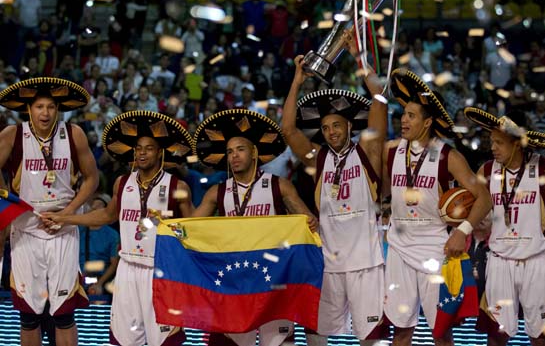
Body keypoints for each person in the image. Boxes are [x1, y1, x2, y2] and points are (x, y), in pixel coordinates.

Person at [44, 110, 196, 346]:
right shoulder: (122, 183)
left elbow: (193, 231)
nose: (142, 153)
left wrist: (173, 229)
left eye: (148, 148)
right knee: (124, 340)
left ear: (160, 152)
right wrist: (65, 218)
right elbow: (106, 215)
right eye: (138, 148)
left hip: (161, 269)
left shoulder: (179, 186)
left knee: (165, 340)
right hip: (127, 268)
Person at [280, 52, 387, 346]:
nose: (330, 132)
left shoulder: (367, 153)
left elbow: (380, 100)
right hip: (327, 263)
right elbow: (288, 130)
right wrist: (297, 80)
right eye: (325, 128)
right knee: (315, 333)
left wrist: (360, 59)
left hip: (365, 262)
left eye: (336, 125)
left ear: (350, 126)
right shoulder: (319, 158)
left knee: (372, 336)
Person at [384, 68, 492, 346]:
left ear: (428, 121)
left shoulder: (448, 156)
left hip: (436, 248)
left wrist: (462, 231)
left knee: (441, 332)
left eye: (411, 116)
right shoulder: (391, 150)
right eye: (403, 114)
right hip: (398, 248)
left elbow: (484, 197)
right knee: (402, 330)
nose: (403, 120)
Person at [192, 108, 318, 346]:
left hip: (273, 280)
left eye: (240, 149)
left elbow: (309, 223)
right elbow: (191, 229)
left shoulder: (278, 186)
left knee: (279, 341)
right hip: (234, 281)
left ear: (254, 152)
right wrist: (166, 227)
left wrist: (310, 222)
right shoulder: (216, 192)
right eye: (229, 152)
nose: (234, 156)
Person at [463, 108, 545, 346]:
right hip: (499, 260)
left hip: (536, 260)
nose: (492, 147)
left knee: (541, 336)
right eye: (492, 141)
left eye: (499, 142)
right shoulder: (485, 171)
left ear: (517, 143)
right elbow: (469, 209)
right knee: (496, 335)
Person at [0, 78, 98, 346]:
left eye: (51, 107)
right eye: (39, 106)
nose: (45, 113)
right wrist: (7, 201)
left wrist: (68, 213)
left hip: (63, 230)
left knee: (64, 314)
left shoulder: (74, 133)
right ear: (28, 109)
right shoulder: (12, 134)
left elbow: (92, 179)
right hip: (25, 231)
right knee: (29, 316)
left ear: (59, 109)